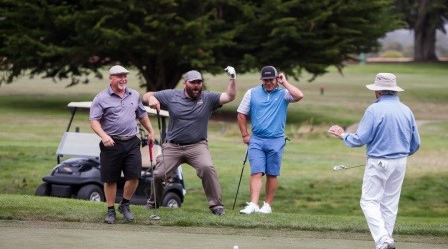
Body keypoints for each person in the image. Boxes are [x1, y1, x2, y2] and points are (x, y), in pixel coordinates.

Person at [328, 73, 420, 249]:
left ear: (378, 91)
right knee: (389, 204)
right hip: (400, 162)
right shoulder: (406, 110)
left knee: (369, 202)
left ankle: (383, 240)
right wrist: (400, 154)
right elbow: (415, 143)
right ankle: (384, 246)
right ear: (394, 90)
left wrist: (343, 135)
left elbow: (361, 139)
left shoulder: (373, 110)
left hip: (379, 162)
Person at [143, 67, 237, 215]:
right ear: (185, 83)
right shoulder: (172, 96)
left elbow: (230, 96)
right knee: (159, 174)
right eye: (193, 82)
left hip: (197, 146)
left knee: (207, 168)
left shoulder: (208, 98)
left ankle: (216, 206)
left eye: (199, 82)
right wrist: (151, 98)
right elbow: (147, 95)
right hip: (173, 146)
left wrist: (232, 78)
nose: (197, 86)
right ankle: (153, 203)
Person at [90, 65, 155, 224]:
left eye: (125, 76)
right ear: (111, 78)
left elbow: (142, 115)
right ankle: (110, 210)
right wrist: (104, 136)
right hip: (111, 143)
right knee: (110, 179)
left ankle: (124, 204)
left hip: (132, 141)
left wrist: (151, 131)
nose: (123, 79)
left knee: (134, 176)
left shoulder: (134, 95)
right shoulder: (101, 98)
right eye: (119, 76)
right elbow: (94, 121)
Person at [237, 66, 304, 214]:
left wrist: (285, 82)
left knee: (272, 173)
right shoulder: (252, 93)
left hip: (276, 139)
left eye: (271, 80)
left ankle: (267, 205)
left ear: (276, 79)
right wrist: (244, 135)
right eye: (265, 80)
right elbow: (241, 114)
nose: (268, 83)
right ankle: (253, 204)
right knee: (256, 171)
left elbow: (299, 95)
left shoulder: (284, 93)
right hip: (257, 139)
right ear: (261, 80)